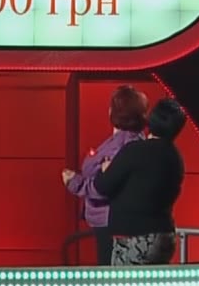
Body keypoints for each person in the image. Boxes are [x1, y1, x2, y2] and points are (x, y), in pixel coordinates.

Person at [93, 98, 186, 266]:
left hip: (134, 239)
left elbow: (103, 186)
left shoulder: (135, 150)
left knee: (126, 283)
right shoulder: (175, 157)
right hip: (164, 237)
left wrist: (104, 169)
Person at [62, 85, 148, 265]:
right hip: (117, 221)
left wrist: (75, 183)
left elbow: (107, 186)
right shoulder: (137, 142)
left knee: (110, 273)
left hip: (111, 222)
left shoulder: (122, 146)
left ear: (112, 112)